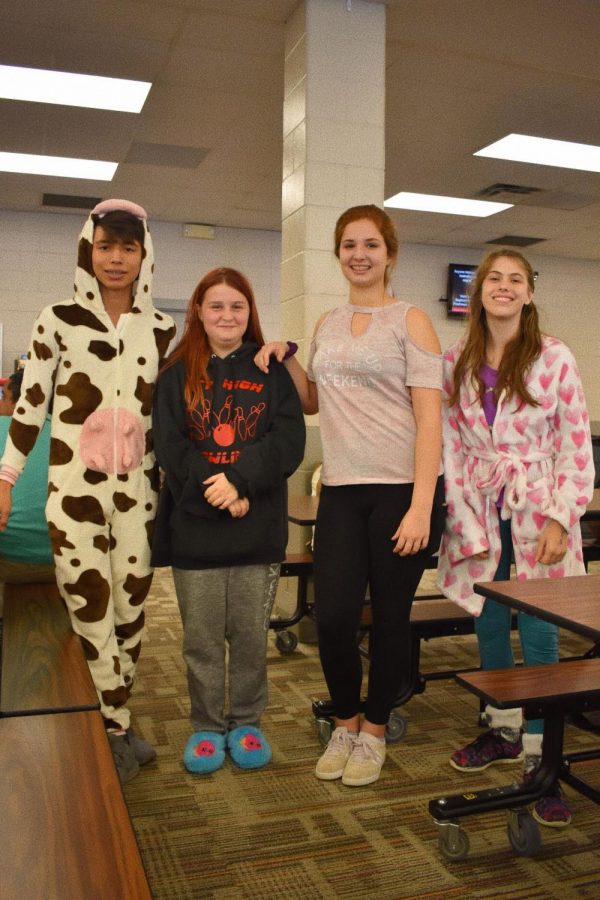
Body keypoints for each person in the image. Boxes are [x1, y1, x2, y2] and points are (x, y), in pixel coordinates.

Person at [255, 204, 445, 786]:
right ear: (338, 255)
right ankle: (345, 719)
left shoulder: (412, 321)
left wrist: (420, 504)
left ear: (389, 253)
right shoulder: (327, 323)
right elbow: (314, 401)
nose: (359, 255)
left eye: (370, 244)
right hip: (340, 489)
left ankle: (376, 730)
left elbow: (430, 421)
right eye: (348, 245)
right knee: (334, 615)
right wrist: (284, 359)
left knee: (390, 617)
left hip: (400, 495)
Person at [0, 199, 176, 783]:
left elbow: (179, 406)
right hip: (73, 496)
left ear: (143, 254)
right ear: (88, 250)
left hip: (139, 500)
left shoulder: (161, 328)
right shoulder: (57, 319)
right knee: (89, 607)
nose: (116, 258)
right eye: (106, 246)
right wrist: (3, 480)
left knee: (131, 614)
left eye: (128, 247)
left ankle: (116, 715)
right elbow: (30, 409)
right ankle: (115, 727)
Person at [436, 249, 594, 827]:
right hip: (480, 504)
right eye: (493, 280)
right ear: (478, 292)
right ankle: (501, 728)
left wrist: (560, 516)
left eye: (516, 280)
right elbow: (451, 446)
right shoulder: (458, 359)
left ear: (529, 293)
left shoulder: (553, 357)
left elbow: (576, 445)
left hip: (538, 507)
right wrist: (466, 520)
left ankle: (539, 753)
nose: (504, 288)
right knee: (487, 617)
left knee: (540, 629)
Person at [152, 266, 305, 774]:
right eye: (216, 305)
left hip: (256, 529)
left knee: (247, 637)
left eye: (237, 306)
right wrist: (217, 492)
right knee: (200, 639)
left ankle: (245, 721)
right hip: (195, 529)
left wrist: (239, 481)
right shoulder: (175, 373)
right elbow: (172, 446)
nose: (227, 315)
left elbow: (287, 441)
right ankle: (206, 725)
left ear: (250, 314)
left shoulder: (270, 371)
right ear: (197, 311)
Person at [0, 369, 55, 615]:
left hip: (9, 559)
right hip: (69, 560)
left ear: (19, 402)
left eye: (4, 396)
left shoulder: (4, 426)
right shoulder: (71, 433)